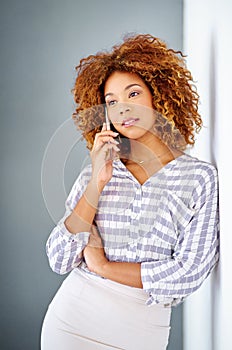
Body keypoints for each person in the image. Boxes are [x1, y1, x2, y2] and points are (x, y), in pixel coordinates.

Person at [41, 34, 219, 350]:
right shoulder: (97, 172)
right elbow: (58, 256)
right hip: (72, 324)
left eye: (133, 93)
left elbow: (188, 274)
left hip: (140, 334)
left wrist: (104, 267)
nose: (123, 109)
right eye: (111, 102)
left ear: (160, 97)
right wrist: (97, 182)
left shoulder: (199, 178)